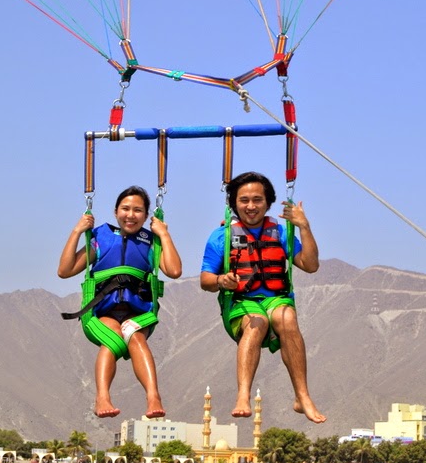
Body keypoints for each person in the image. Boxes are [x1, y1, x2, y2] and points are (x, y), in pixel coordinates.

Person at [200, 171, 326, 424]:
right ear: (234, 204)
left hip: (277, 299)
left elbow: (311, 265)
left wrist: (304, 226)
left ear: (268, 203)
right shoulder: (221, 236)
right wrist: (222, 280)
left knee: (286, 318)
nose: (251, 206)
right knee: (257, 322)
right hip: (241, 303)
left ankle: (302, 396)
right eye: (244, 200)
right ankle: (243, 395)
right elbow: (205, 280)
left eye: (257, 200)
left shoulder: (280, 233)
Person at [58, 186, 182, 419]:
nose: (131, 215)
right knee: (113, 338)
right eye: (125, 209)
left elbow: (174, 271)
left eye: (138, 210)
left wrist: (164, 235)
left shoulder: (151, 243)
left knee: (135, 336)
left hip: (138, 313)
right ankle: (102, 397)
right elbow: (65, 271)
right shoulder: (100, 239)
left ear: (146, 216)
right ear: (116, 212)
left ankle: (153, 396)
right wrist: (77, 231)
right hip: (102, 313)